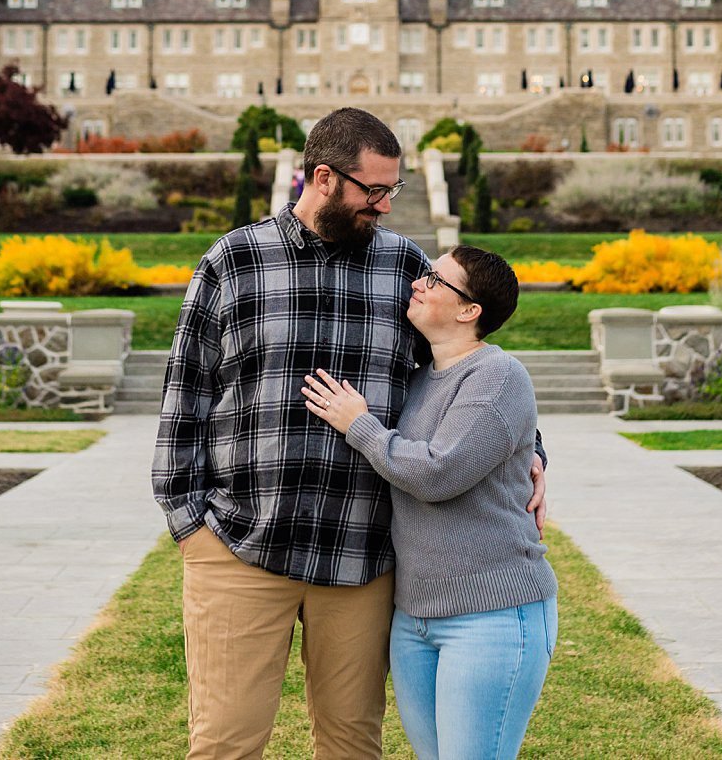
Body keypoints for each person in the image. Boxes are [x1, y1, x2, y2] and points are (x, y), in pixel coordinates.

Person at [154, 107, 546, 759]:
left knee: (352, 745)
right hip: (240, 546)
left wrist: (532, 452)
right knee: (224, 743)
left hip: (361, 555)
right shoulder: (234, 260)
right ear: (325, 178)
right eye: (376, 190)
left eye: (395, 190)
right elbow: (184, 393)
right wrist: (188, 522)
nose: (386, 206)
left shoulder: (404, 270)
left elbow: (467, 371)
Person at [302, 246, 556, 760]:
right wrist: (535, 454)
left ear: (469, 310)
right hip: (414, 619)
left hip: (490, 615)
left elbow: (439, 473)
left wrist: (359, 425)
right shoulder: (419, 379)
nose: (418, 283)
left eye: (436, 280)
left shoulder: (498, 375)